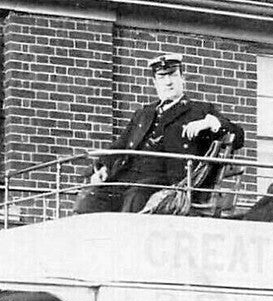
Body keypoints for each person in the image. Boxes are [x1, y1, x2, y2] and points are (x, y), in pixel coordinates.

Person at [74, 53, 244, 214]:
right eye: (162, 77)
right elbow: (120, 145)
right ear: (155, 82)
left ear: (182, 78)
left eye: (173, 75)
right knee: (90, 199)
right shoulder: (143, 114)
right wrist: (102, 167)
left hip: (168, 181)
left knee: (135, 198)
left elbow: (238, 136)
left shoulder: (200, 111)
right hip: (127, 175)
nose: (168, 82)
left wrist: (210, 122)